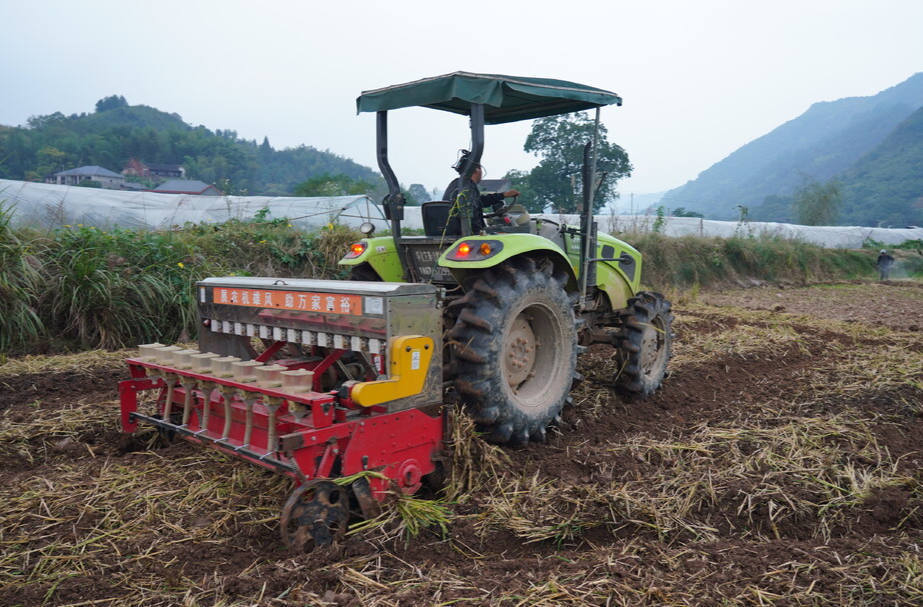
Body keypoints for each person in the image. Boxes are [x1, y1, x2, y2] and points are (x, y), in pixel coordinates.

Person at [443, 152, 520, 233]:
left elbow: (480, 201)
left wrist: (504, 195)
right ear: (477, 170)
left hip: (450, 231)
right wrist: (480, 233)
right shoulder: (468, 187)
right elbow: (474, 219)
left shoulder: (456, 184)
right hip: (465, 233)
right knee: (502, 231)